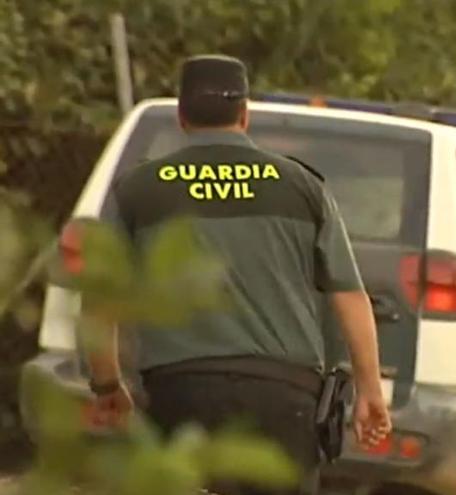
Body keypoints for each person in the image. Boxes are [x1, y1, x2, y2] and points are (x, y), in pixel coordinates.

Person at [84, 54, 391, 494]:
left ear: (182, 116)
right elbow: (349, 295)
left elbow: (99, 300)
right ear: (244, 115)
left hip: (180, 394)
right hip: (285, 400)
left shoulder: (138, 189)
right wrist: (370, 391)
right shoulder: (302, 187)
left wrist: (107, 384)